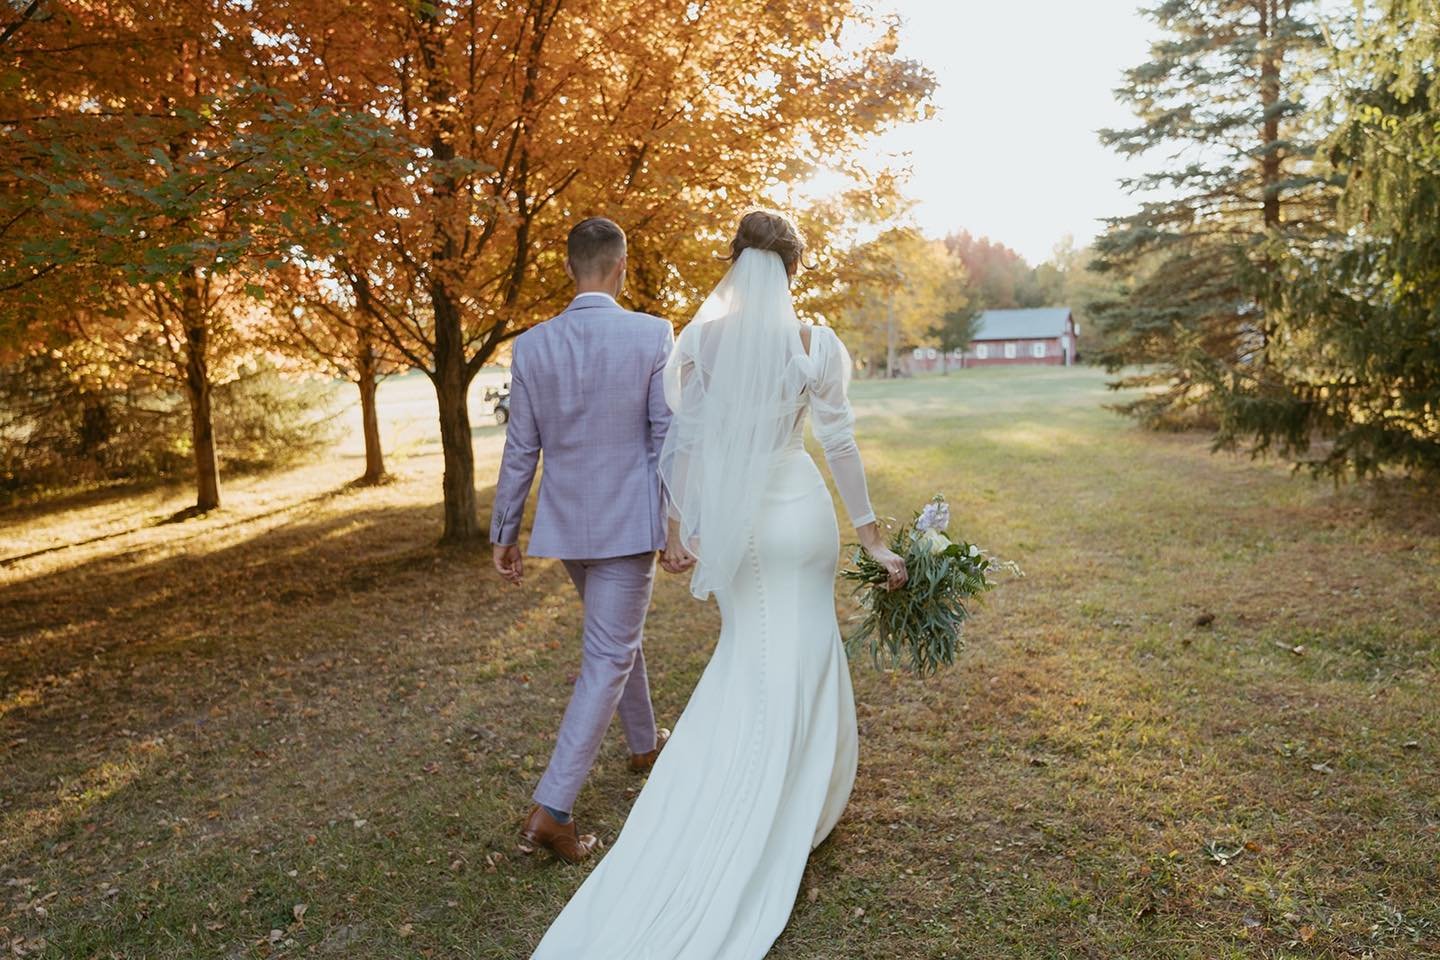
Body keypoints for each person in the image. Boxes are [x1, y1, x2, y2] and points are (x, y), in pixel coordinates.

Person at [529, 209, 906, 959]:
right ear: (791, 271)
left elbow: (687, 445)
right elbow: (839, 442)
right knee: (806, 651)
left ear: (735, 264)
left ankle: (756, 790)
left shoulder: (700, 343)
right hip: (802, 516)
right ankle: (798, 801)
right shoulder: (816, 346)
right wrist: (872, 537)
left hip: (743, 531)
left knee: (748, 654)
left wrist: (680, 531)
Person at [490, 216, 684, 863]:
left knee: (613, 640)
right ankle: (553, 810)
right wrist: (673, 522)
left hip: (571, 526)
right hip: (628, 524)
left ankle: (643, 745)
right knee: (609, 653)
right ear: (622, 266)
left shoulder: (532, 346)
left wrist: (504, 530)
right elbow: (666, 438)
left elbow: (522, 448)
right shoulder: (653, 334)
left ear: (570, 269)